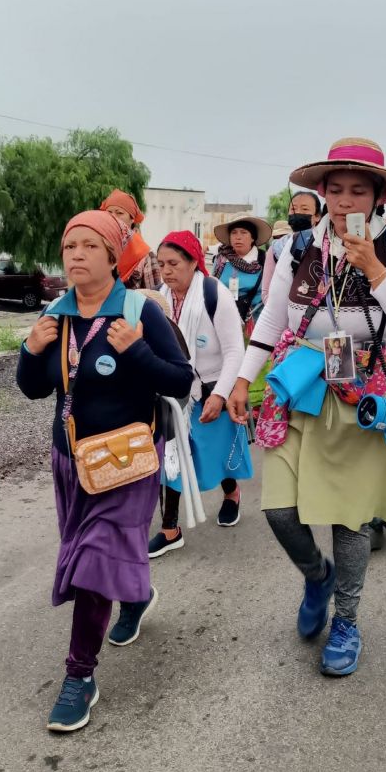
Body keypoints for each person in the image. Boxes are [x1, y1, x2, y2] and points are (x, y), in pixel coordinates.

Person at [228, 137, 386, 678]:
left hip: (371, 390)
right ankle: (315, 576)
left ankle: (346, 620)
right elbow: (272, 321)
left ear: (379, 198)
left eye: (358, 191)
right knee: (277, 508)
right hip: (304, 386)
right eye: (336, 190)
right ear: (321, 193)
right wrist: (240, 381)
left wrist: (375, 271)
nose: (346, 202)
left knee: (349, 518)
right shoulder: (298, 248)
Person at [16, 211, 192, 732]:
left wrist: (134, 350)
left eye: (90, 245)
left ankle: (80, 676)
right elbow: (32, 389)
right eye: (70, 244)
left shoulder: (139, 311)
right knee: (97, 551)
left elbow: (180, 381)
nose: (76, 254)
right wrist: (31, 349)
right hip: (72, 461)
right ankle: (136, 594)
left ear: (114, 256)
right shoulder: (57, 314)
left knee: (94, 560)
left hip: (129, 461)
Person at [145, 231, 252, 560]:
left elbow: (236, 350)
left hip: (211, 387)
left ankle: (231, 494)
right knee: (172, 458)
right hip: (175, 393)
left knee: (217, 453)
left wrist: (220, 395)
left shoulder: (213, 293)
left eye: (174, 263)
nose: (166, 270)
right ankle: (170, 529)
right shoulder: (160, 298)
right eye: (161, 264)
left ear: (193, 262)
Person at [211, 212, 272, 331]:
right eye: (234, 233)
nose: (238, 237)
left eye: (244, 232)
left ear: (253, 237)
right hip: (223, 323)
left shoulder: (265, 260)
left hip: (256, 326)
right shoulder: (220, 260)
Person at [263, 191, 323, 297]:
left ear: (317, 216)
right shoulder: (276, 248)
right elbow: (266, 292)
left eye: (305, 209)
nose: (297, 212)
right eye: (293, 209)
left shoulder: (326, 246)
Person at [99, 188, 162, 290]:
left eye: (119, 213)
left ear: (132, 219)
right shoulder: (98, 249)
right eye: (109, 212)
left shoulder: (145, 257)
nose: (113, 217)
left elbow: (154, 298)